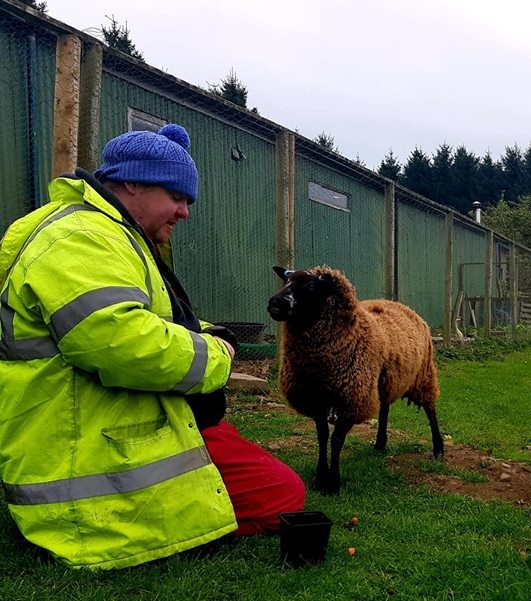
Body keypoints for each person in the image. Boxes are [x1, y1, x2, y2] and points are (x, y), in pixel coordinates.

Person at [0, 123, 305, 569]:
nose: (184, 212)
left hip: (124, 413)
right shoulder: (81, 238)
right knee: (278, 498)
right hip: (90, 443)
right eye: (176, 197)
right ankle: (170, 522)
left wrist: (208, 331)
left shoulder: (113, 234)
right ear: (132, 183)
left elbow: (142, 316)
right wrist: (217, 356)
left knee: (284, 491)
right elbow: (120, 342)